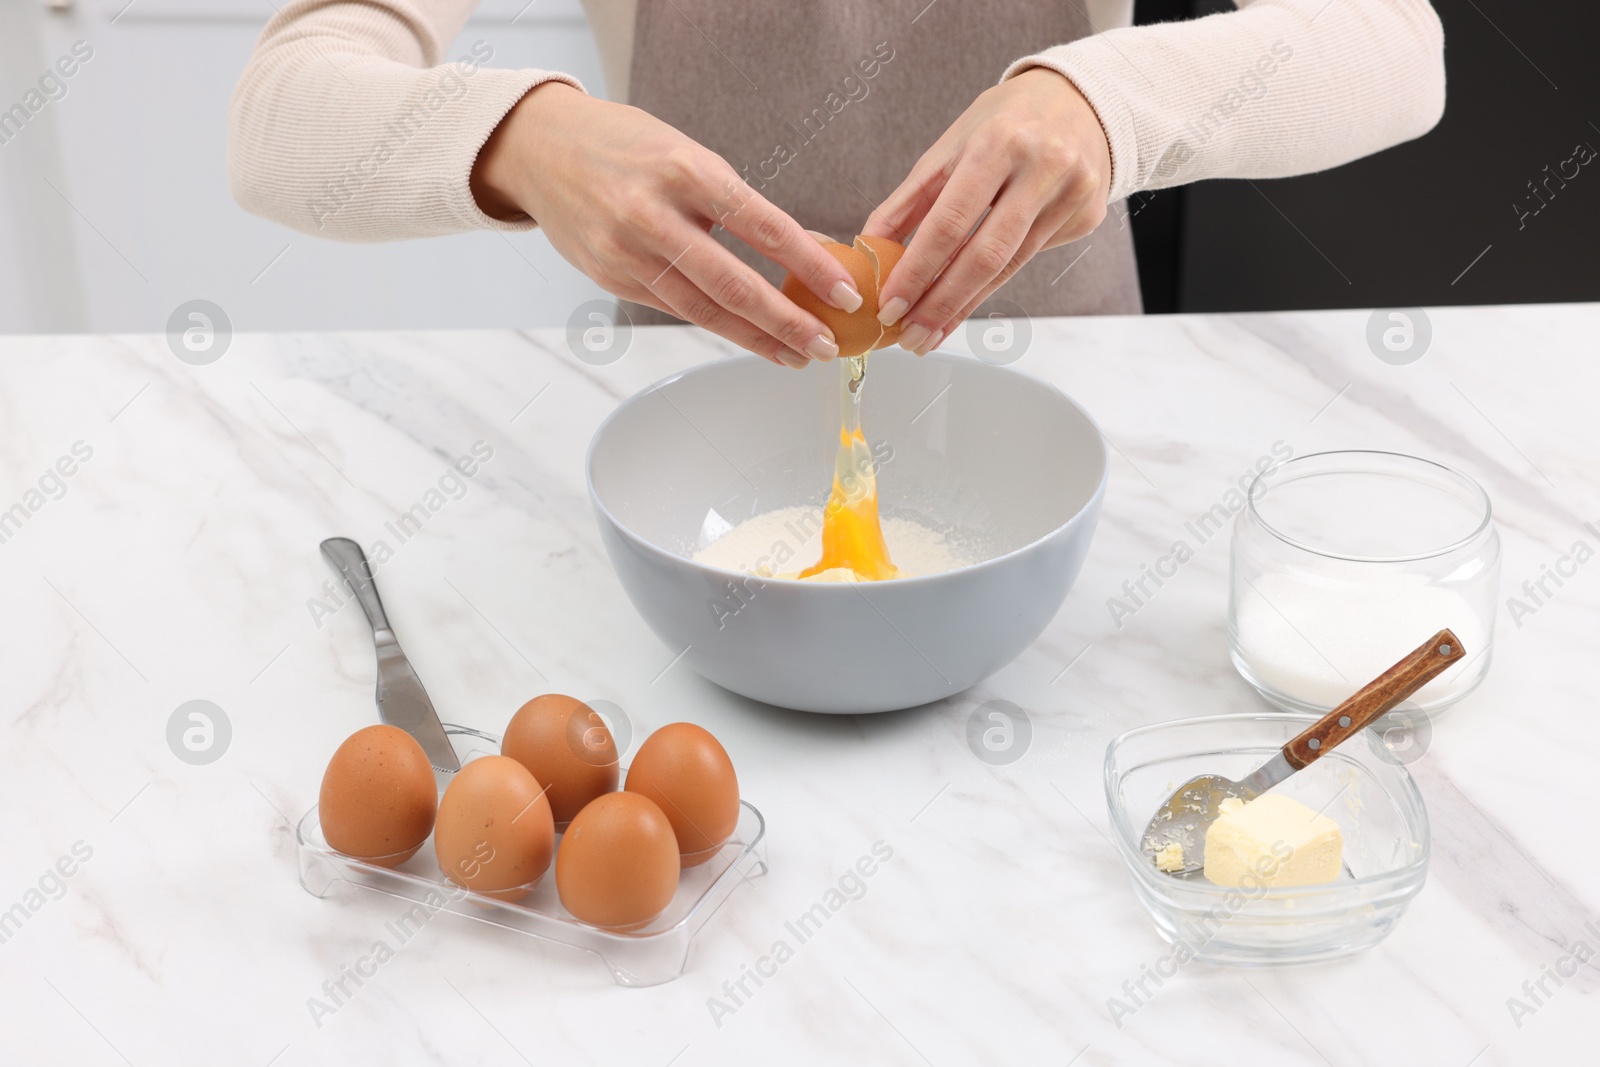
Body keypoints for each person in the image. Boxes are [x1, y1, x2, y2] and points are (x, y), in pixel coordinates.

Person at [229, 0, 1444, 368]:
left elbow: (1398, 46)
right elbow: (279, 115)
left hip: (1074, 397)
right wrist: (519, 138)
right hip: (689, 425)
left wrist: (1109, 102)